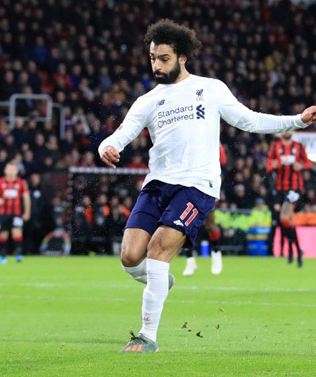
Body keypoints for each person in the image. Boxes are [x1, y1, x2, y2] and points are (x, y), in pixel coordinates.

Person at [98, 19, 316, 353]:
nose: (156, 64)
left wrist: (296, 121)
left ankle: (147, 336)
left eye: (164, 58)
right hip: (157, 184)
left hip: (197, 185)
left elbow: (250, 120)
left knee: (158, 250)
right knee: (129, 257)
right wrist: (106, 147)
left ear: (182, 57)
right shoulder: (147, 101)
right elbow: (120, 135)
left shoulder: (210, 89)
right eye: (153, 57)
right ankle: (160, 281)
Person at [266, 131, 310, 267]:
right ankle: (295, 250)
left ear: (292, 132)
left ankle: (293, 250)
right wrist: (272, 166)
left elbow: (308, 163)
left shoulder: (299, 146)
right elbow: (268, 166)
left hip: (295, 188)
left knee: (284, 217)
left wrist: (301, 166)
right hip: (280, 189)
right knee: (286, 221)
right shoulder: (275, 147)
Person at [182, 143, 227, 276]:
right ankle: (190, 260)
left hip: (207, 185)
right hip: (188, 184)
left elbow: (223, 161)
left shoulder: (211, 140)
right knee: (186, 224)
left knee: (210, 224)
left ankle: (216, 254)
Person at [0, 162, 31, 264]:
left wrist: (27, 212)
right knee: (3, 234)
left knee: (16, 232)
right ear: (5, 170)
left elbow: (26, 198)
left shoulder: (21, 182)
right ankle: (3, 256)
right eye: (8, 169)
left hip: (16, 213)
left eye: (13, 169)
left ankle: (18, 254)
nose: (10, 171)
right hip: (3, 213)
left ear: (16, 171)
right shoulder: (0, 182)